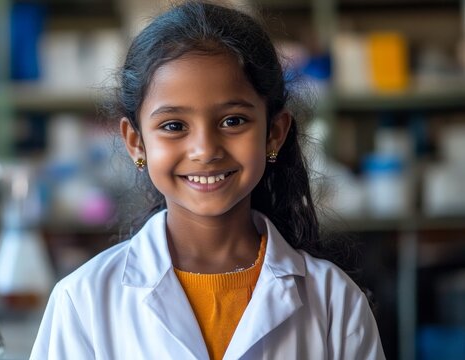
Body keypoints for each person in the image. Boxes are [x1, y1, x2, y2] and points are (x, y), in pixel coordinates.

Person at [31, 1, 385, 359]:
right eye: (173, 126)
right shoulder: (83, 302)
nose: (205, 149)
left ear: (274, 133)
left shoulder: (334, 302)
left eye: (233, 121)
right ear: (135, 141)